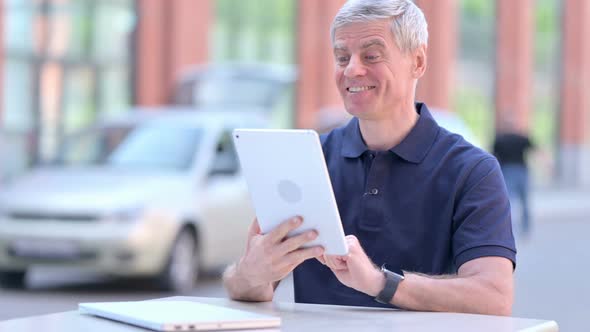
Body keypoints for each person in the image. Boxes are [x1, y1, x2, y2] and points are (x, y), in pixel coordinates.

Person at [224, 0, 515, 316]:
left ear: (417, 62)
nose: (351, 69)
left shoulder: (473, 172)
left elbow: (493, 297)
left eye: (371, 55)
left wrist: (380, 283)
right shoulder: (308, 161)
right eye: (342, 57)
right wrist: (251, 273)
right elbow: (248, 287)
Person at [493, 127, 534, 238]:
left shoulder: (500, 139)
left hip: (507, 171)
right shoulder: (522, 138)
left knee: (508, 201)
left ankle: (509, 228)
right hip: (521, 171)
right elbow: (535, 150)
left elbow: (493, 157)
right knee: (524, 201)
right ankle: (525, 229)